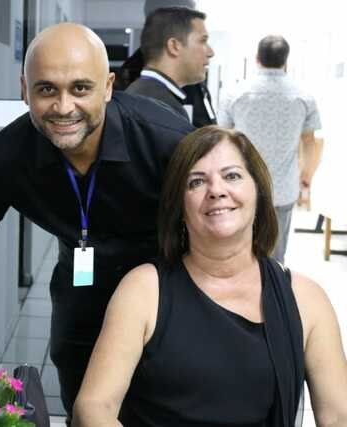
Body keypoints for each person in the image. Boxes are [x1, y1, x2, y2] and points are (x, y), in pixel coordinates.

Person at [0, 22, 192, 424]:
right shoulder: (10, 156)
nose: (63, 107)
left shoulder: (168, 142)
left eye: (80, 88)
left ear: (108, 87)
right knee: (84, 410)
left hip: (166, 297)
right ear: (25, 90)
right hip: (81, 298)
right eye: (46, 89)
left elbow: (222, 219)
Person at [73, 126, 347, 426]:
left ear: (258, 192)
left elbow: (338, 415)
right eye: (197, 181)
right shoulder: (144, 290)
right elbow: (93, 407)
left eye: (232, 176)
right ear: (180, 206)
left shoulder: (306, 299)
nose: (216, 190)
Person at [218, 35, 321, 263]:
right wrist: (306, 176)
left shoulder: (235, 93)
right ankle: (273, 284)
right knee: (276, 255)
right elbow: (309, 141)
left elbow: (221, 137)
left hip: (242, 186)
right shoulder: (304, 96)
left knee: (238, 250)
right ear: (286, 60)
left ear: (257, 58)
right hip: (283, 188)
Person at [125, 7, 216, 126]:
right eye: (202, 41)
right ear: (174, 46)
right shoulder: (158, 107)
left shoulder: (143, 95)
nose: (211, 52)